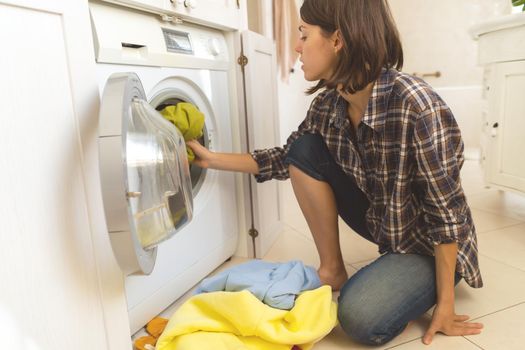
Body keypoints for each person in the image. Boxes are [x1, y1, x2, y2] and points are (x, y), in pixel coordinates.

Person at [186, 0, 484, 346]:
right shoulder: (329, 104)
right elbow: (288, 158)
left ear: (337, 40)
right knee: (305, 149)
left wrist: (444, 307)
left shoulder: (415, 104)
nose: (297, 47)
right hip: (387, 224)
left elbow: (446, 216)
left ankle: (413, 282)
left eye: (304, 34)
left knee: (358, 319)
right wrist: (210, 159)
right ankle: (332, 269)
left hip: (429, 244)